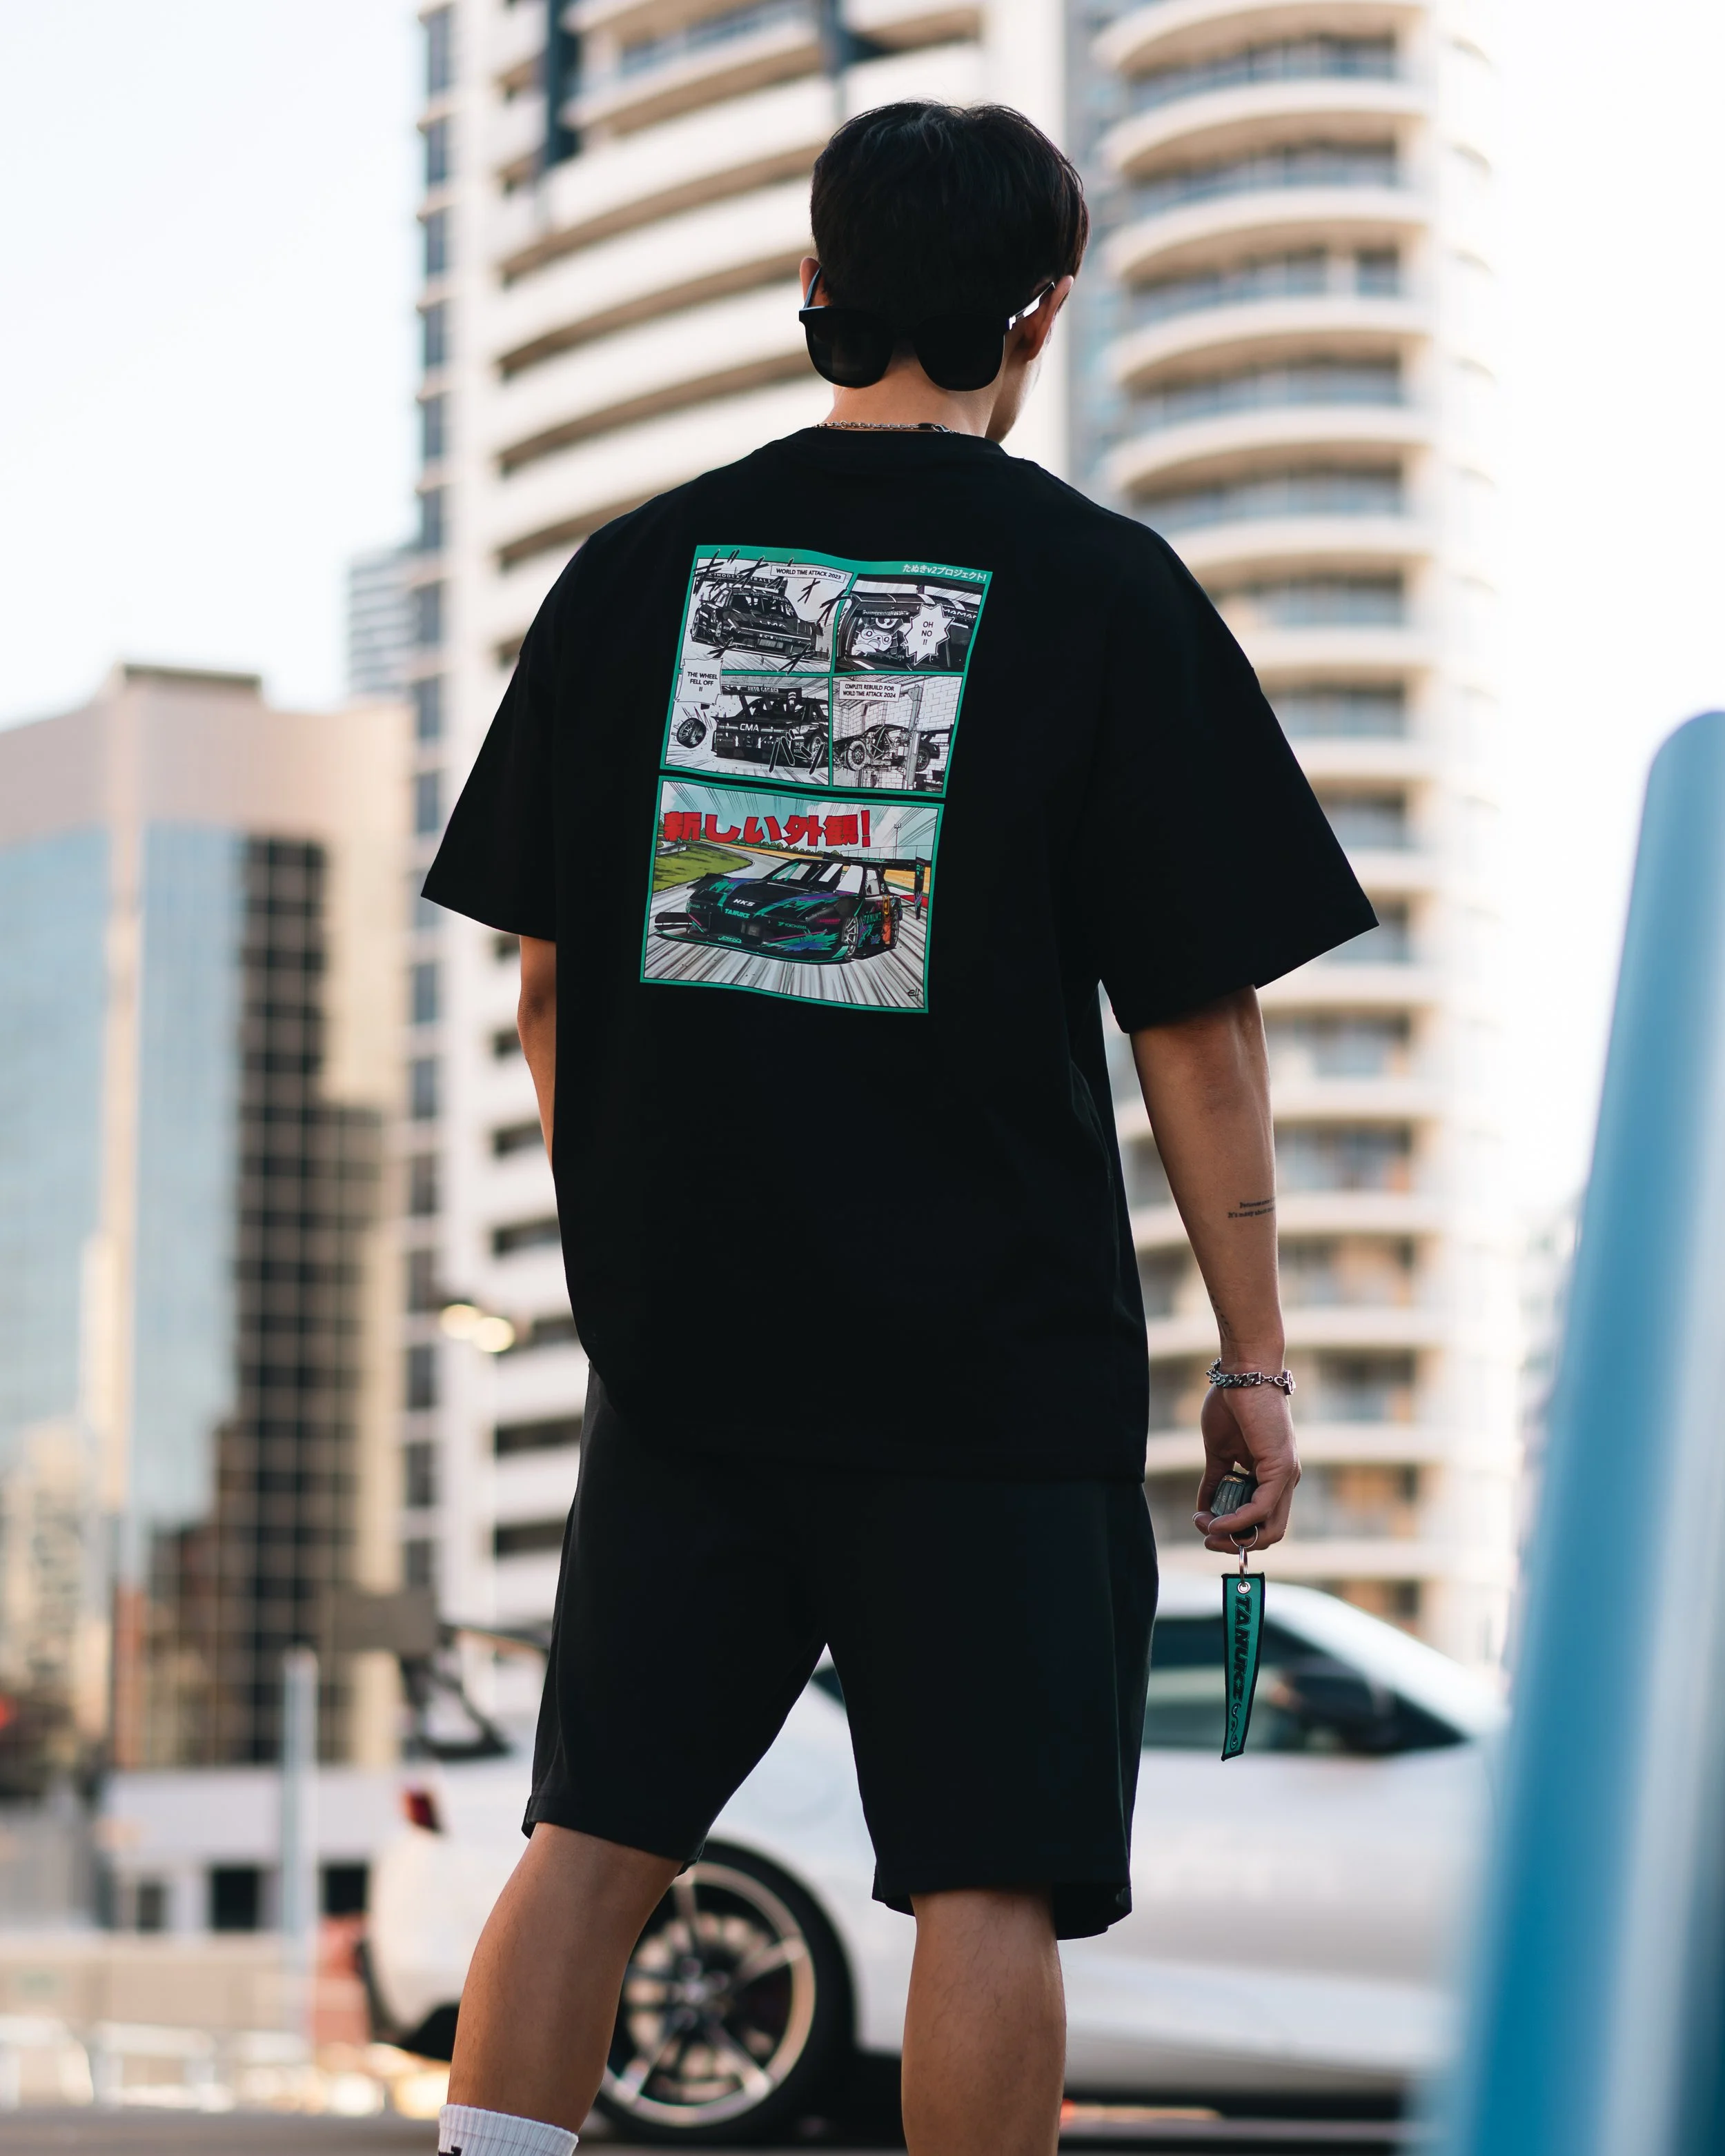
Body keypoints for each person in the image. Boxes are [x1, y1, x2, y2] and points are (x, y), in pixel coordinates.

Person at [422, 100, 1374, 2156]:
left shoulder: (633, 576)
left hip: (692, 1356)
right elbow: (1193, 1021)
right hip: (993, 1358)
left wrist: (643, 1259)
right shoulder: (1103, 593)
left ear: (814, 285)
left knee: (591, 1836)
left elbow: (546, 981)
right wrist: (1255, 1356)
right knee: (984, 1876)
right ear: (1040, 310)